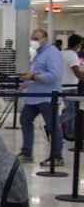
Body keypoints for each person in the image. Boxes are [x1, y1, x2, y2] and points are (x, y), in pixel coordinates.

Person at [17, 28, 65, 167]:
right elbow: (35, 72)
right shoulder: (38, 54)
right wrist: (24, 85)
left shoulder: (52, 53)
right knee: (25, 119)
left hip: (48, 97)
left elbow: (54, 75)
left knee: (52, 126)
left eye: (36, 39)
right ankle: (26, 152)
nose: (33, 41)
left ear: (45, 39)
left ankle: (57, 156)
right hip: (34, 96)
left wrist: (33, 77)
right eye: (32, 38)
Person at [59, 34, 84, 140]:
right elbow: (77, 73)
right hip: (70, 86)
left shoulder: (61, 53)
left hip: (62, 85)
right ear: (78, 44)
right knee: (72, 111)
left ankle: (69, 133)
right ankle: (50, 125)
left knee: (70, 110)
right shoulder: (72, 55)